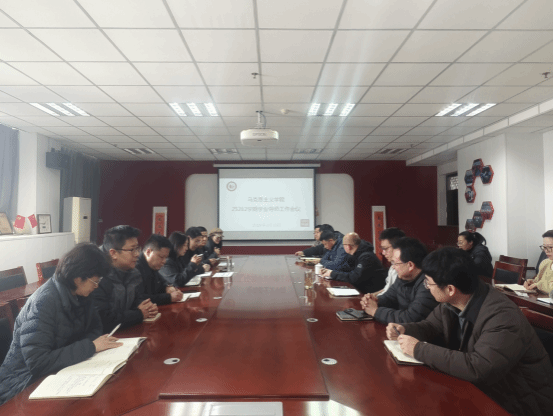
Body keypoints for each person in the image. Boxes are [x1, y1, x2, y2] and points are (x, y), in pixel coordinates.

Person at [386, 247, 553, 416]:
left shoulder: (502, 316)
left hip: (521, 403)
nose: (427, 287)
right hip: (486, 391)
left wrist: (418, 349)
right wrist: (406, 329)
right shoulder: (453, 301)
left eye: (428, 282)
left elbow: (478, 368)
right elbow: (431, 326)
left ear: (450, 289)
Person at [0, 244, 123, 406]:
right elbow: (38, 362)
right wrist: (90, 347)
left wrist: (87, 347)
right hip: (22, 384)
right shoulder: (44, 302)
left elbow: (95, 328)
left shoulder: (82, 294)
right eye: (95, 280)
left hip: (61, 371)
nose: (97, 286)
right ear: (78, 278)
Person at [92, 225, 158, 333]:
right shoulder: (97, 277)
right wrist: (139, 314)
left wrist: (147, 308)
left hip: (124, 330)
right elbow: (104, 320)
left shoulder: (133, 272)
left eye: (137, 248)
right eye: (132, 250)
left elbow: (136, 299)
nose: (137, 254)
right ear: (113, 253)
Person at [361, 237, 437, 324]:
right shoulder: (403, 277)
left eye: (395, 263)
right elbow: (389, 298)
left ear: (410, 265)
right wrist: (374, 301)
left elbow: (410, 318)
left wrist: (375, 311)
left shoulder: (428, 284)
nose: (393, 267)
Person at [321, 233, 387, 294]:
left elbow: (355, 277)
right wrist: (330, 271)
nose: (343, 248)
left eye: (343, 245)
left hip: (372, 292)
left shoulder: (366, 257)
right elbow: (346, 268)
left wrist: (332, 274)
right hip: (362, 289)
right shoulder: (354, 254)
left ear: (348, 246)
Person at [136, 234, 184, 305]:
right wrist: (169, 297)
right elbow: (140, 298)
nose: (164, 261)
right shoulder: (135, 267)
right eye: (161, 257)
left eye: (166, 258)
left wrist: (167, 287)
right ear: (148, 252)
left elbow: (162, 281)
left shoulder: (152, 265)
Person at [374, 227, 406, 297]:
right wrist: (371, 296)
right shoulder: (392, 267)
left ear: (397, 247)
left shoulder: (404, 269)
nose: (383, 253)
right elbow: (386, 290)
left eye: (385, 249)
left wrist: (376, 299)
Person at [525, 230, 553, 294]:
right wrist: (531, 282)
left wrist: (538, 285)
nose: (546, 251)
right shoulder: (545, 263)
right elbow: (539, 281)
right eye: (544, 247)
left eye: (550, 247)